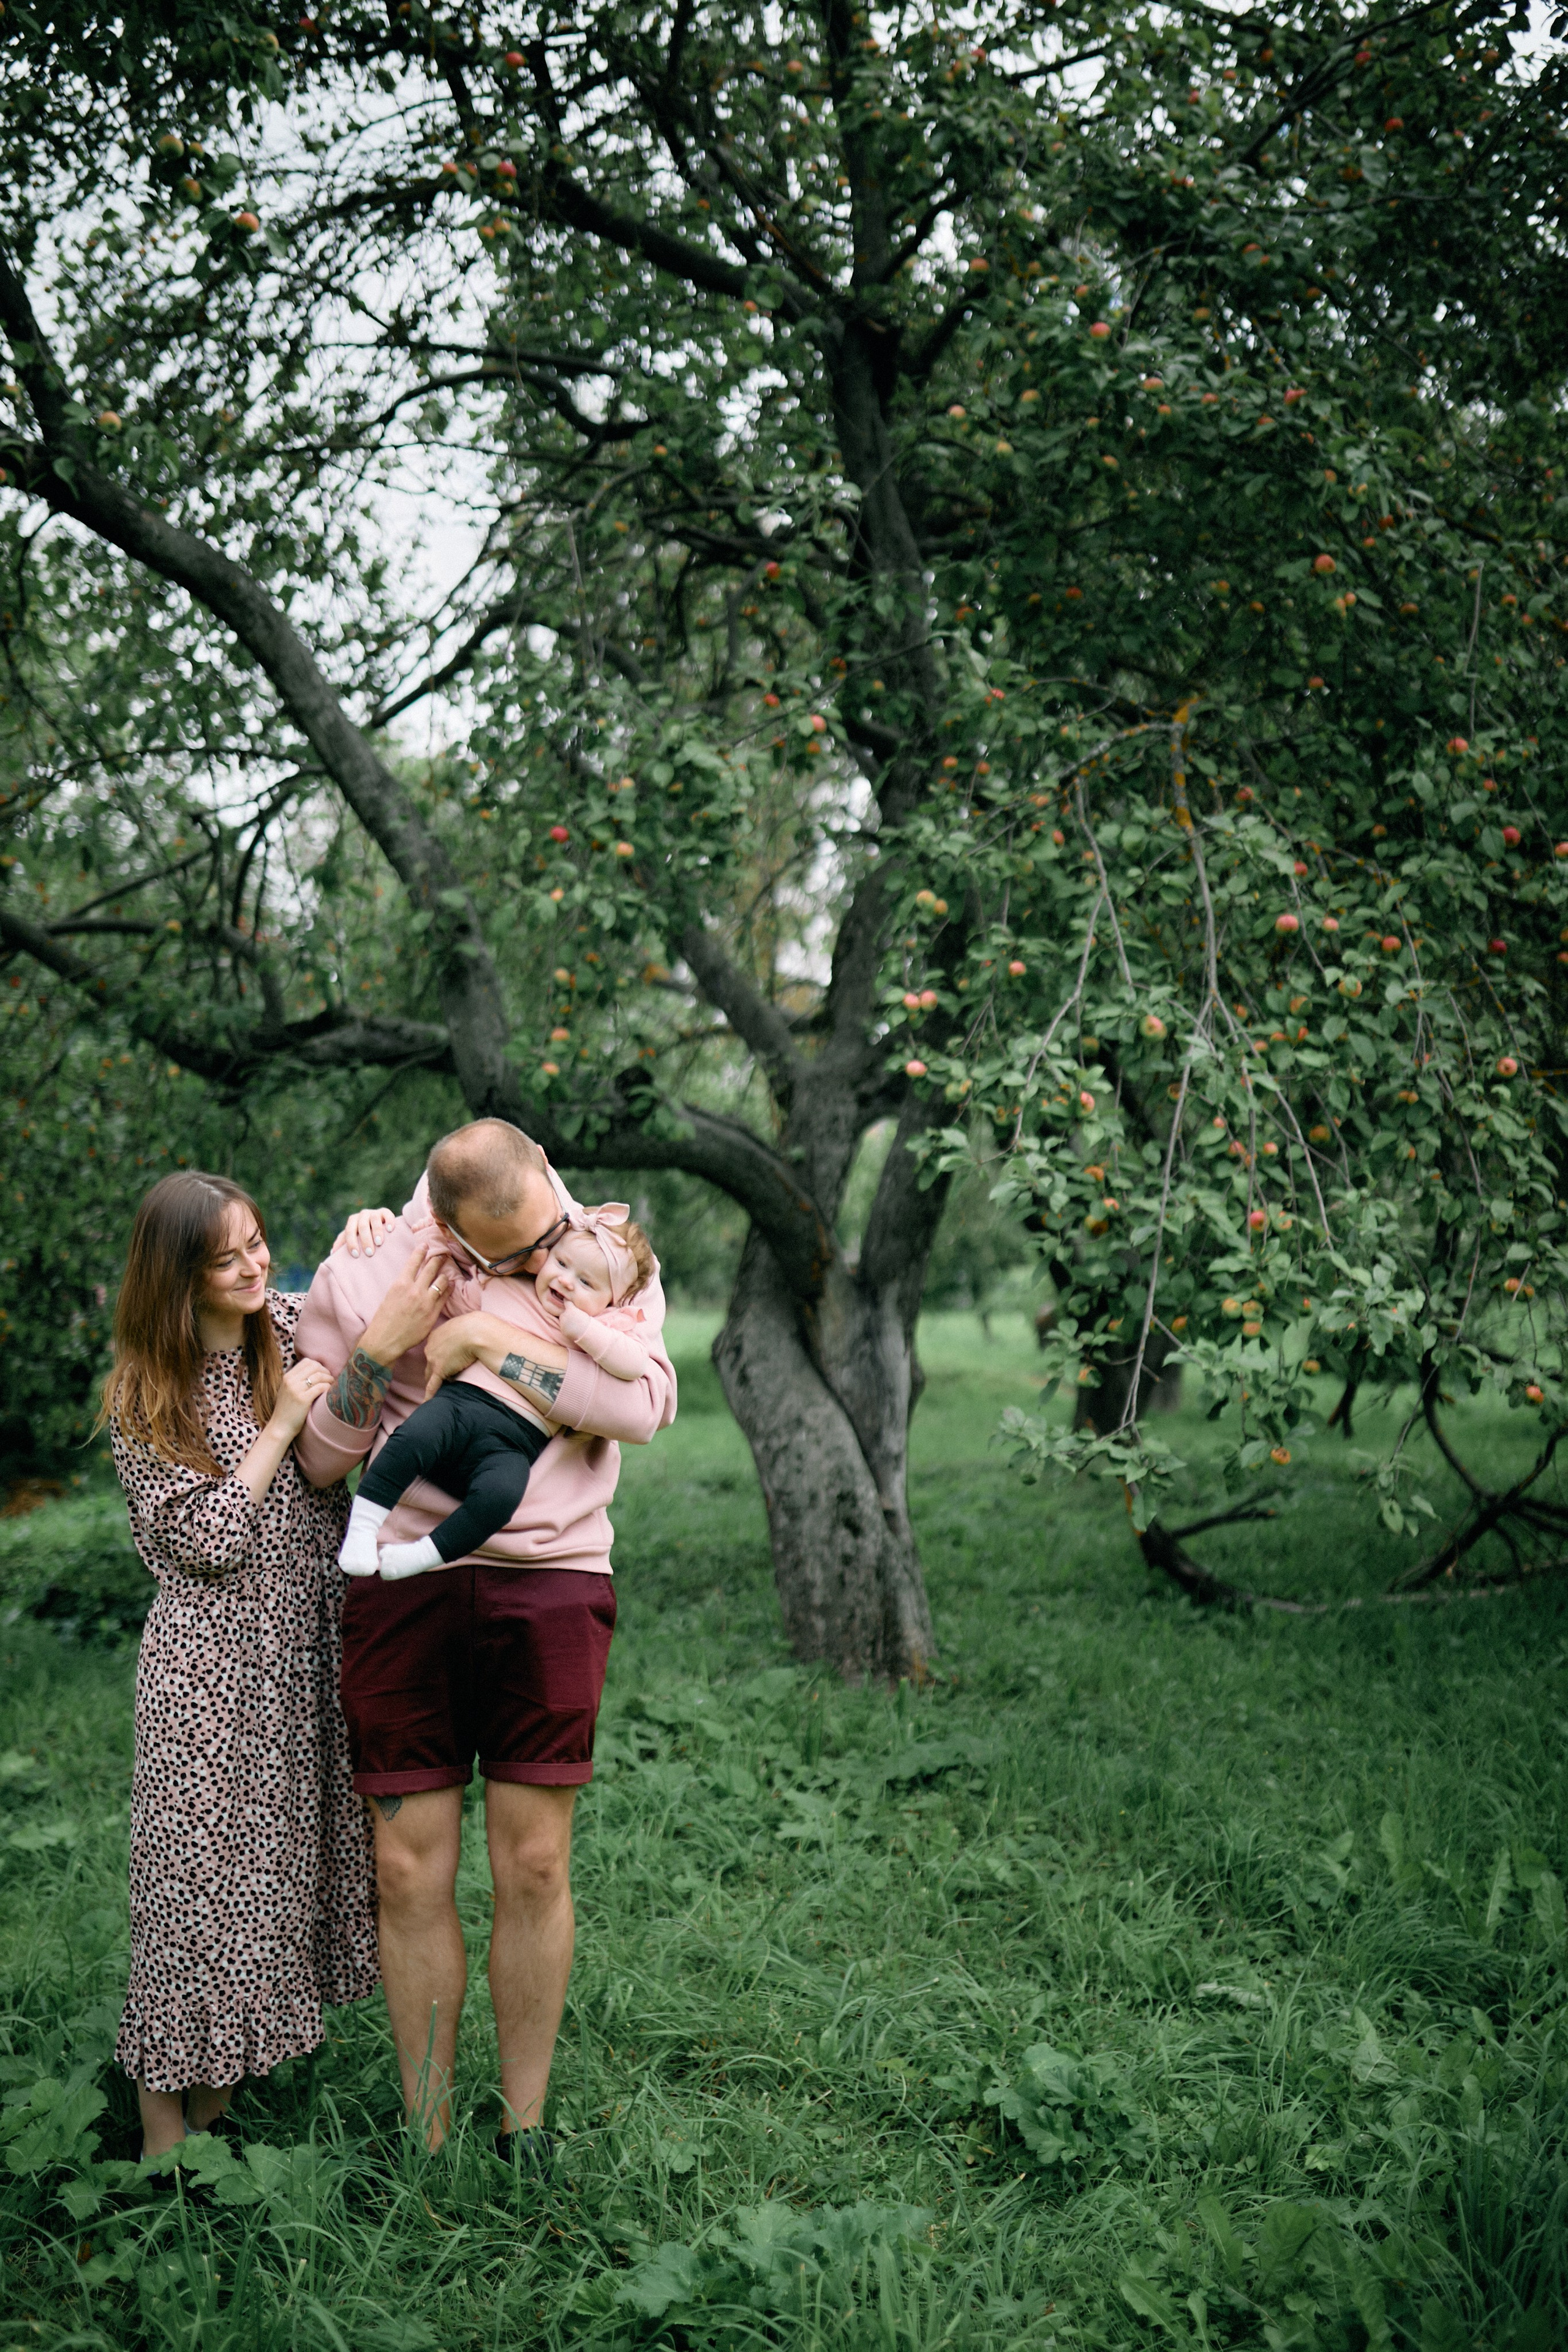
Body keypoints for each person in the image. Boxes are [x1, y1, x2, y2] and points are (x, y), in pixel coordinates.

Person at [292, 1120, 676, 2161]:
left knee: (537, 1863)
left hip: (553, 1580)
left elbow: (643, 1407)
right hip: (402, 1592)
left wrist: (482, 1346)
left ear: (547, 1173)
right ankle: (427, 2139)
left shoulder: (607, 1251)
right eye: (515, 1253)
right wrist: (384, 1347)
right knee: (407, 1871)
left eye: (546, 1230)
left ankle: (525, 2129)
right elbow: (322, 1461)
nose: (544, 1260)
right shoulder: (366, 1265)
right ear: (450, 1225)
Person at [102, 1172, 382, 2162]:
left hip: (301, 1662)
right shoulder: (146, 1393)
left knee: (268, 1888)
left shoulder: (295, 1328)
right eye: (227, 1258)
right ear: (178, 1277)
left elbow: (381, 1323)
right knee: (190, 1898)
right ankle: (162, 2152)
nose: (256, 1266)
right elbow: (209, 1541)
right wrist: (278, 1427)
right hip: (207, 1677)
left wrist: (370, 1234)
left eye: (258, 1242)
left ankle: (214, 2125)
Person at [339, 1204, 657, 1582]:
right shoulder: (506, 1287)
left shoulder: (603, 1328)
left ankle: (422, 1555)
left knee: (502, 1498)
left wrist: (584, 1329)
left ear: (612, 1301)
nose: (567, 1281)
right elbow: (453, 1290)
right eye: (561, 1263)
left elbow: (633, 1363)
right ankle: (362, 1531)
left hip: (516, 1443)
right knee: (412, 1437)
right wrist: (429, 1236)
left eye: (587, 1283)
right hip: (460, 1406)